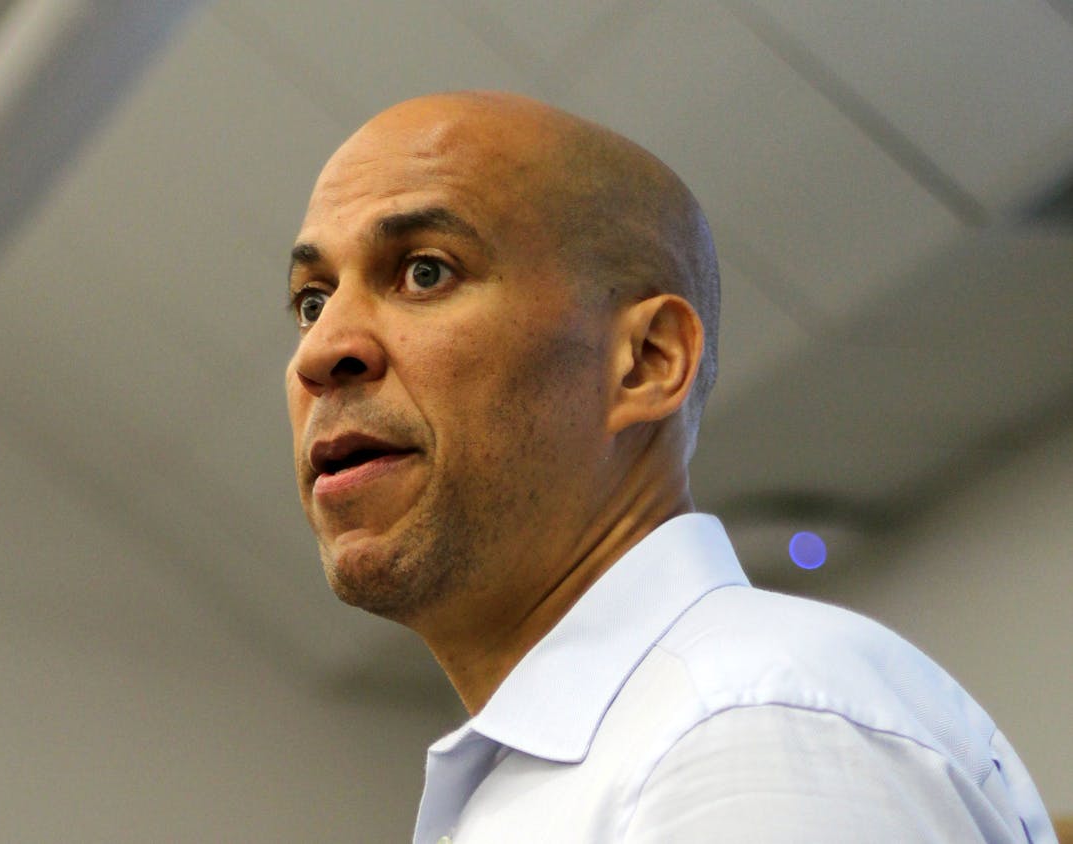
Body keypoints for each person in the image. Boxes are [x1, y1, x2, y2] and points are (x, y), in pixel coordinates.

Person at [282, 91, 1054, 843]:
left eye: (425, 271)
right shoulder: (620, 757)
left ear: (647, 361)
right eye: (312, 300)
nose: (321, 350)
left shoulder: (745, 737)